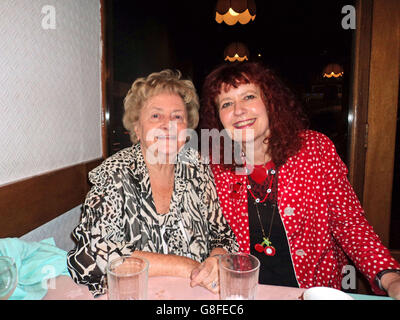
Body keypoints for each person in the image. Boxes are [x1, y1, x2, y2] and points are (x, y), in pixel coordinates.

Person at [200, 61, 400, 299]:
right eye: (227, 103)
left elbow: (350, 225)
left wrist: (390, 277)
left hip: (315, 292)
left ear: (270, 102)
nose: (239, 110)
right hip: (247, 294)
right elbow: (211, 232)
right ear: (218, 118)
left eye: (249, 96)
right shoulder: (214, 167)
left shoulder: (316, 150)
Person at [67, 69, 238, 297]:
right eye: (156, 116)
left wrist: (217, 258)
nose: (168, 124)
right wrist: (183, 266)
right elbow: (90, 257)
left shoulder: (197, 167)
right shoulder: (115, 173)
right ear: (137, 129)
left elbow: (224, 235)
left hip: (197, 292)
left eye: (177, 116)